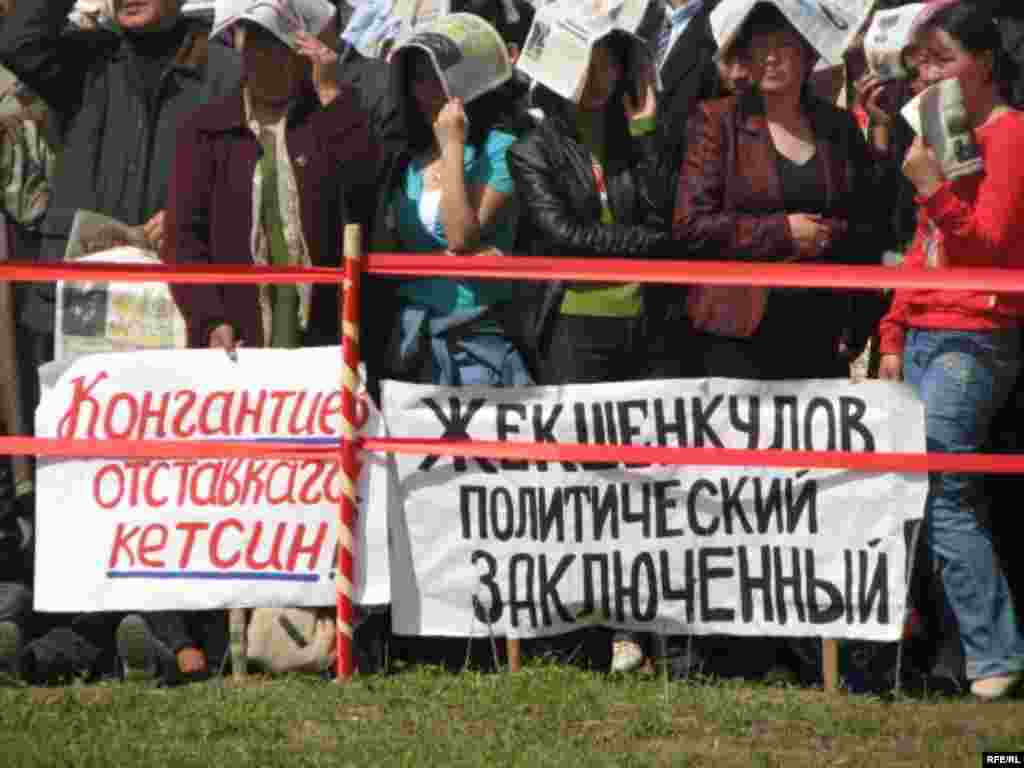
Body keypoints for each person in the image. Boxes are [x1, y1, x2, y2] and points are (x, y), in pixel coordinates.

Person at [0, 0, 242, 685]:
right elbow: (18, 36)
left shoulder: (220, 68)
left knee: (162, 471)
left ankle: (165, 631)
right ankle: (72, 633)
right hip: (74, 302)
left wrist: (188, 213)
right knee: (77, 470)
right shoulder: (86, 57)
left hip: (171, 301)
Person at [147, 0, 379, 684]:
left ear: (297, 56)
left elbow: (364, 193)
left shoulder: (328, 122)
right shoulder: (206, 129)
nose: (257, 59)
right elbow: (185, 242)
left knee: (312, 481)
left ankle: (310, 631)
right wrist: (208, 315)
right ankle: (220, 632)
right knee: (233, 485)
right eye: (248, 45)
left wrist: (333, 100)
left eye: (272, 47)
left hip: (315, 336)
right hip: (236, 344)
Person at [674, 4, 892, 683]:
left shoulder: (837, 127)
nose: (771, 58)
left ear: (808, 56)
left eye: (785, 47)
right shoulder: (715, 121)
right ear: (742, 58)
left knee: (807, 489)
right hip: (736, 332)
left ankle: (805, 648)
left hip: (816, 331)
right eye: (759, 47)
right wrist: (781, 235)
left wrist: (830, 242)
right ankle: (730, 650)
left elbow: (865, 221)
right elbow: (691, 225)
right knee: (734, 489)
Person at [508, 32, 671, 674]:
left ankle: (636, 628)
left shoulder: (636, 143)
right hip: (572, 328)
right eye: (585, 62)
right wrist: (643, 244)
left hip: (643, 326)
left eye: (608, 63)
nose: (596, 76)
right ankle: (587, 630)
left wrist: (648, 135)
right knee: (583, 484)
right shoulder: (531, 148)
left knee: (642, 484)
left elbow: (667, 219)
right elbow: (563, 235)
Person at [877, 1, 1024, 701]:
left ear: (984, 61)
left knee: (944, 489)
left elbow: (988, 249)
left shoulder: (1011, 136)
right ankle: (947, 653)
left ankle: (995, 653)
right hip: (923, 330)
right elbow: (923, 250)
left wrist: (933, 189)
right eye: (921, 66)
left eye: (943, 59)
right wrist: (892, 331)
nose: (929, 76)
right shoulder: (940, 134)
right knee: (918, 493)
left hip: (974, 335)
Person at [370, 19, 532, 390]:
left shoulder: (500, 149)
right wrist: (438, 264)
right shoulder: (406, 159)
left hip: (476, 334)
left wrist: (453, 146)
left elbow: (460, 236)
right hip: (414, 336)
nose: (427, 90)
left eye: (438, 77)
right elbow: (392, 255)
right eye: (418, 78)